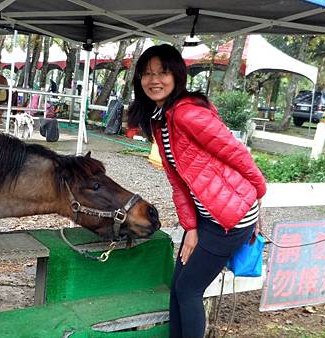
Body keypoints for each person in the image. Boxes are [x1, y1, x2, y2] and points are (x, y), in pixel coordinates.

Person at [127, 44, 267, 338]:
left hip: (230, 218)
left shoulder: (187, 114)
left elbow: (237, 154)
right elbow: (178, 181)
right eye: (147, 74)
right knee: (179, 287)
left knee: (189, 289)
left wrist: (258, 193)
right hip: (207, 216)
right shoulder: (160, 119)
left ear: (177, 75)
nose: (155, 80)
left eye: (162, 73)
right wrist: (190, 227)